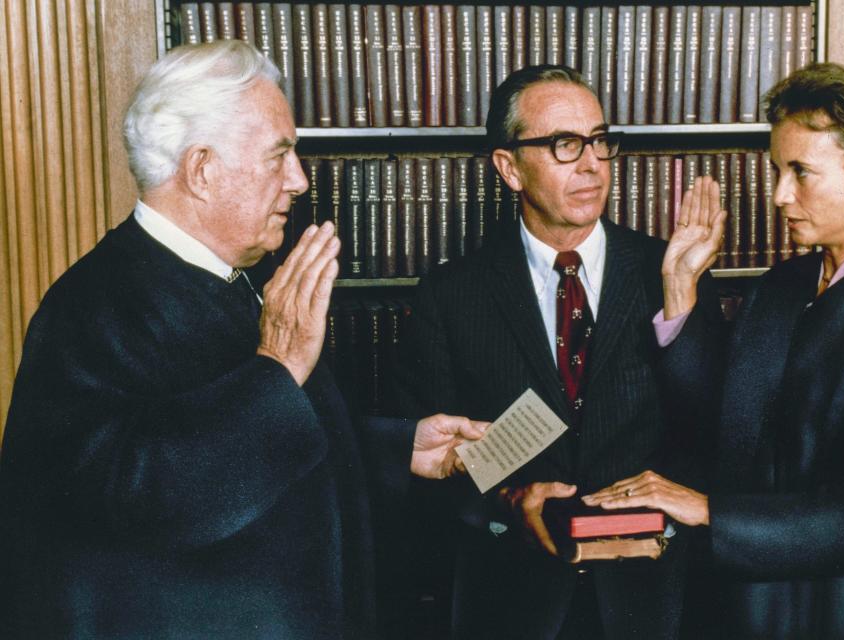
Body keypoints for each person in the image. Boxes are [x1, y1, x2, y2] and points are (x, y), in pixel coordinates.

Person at [0, 40, 486, 640]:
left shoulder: (224, 279)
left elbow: (254, 436)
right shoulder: (92, 305)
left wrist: (397, 449)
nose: (300, 181)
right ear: (202, 170)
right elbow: (140, 495)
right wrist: (276, 364)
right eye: (279, 156)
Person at [583, 62, 844, 639]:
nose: (781, 195)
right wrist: (681, 286)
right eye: (777, 171)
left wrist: (714, 512)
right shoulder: (780, 290)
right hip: (744, 609)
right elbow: (725, 427)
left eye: (802, 172)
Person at [390, 64, 722, 639]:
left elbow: (714, 433)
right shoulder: (450, 295)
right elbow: (427, 471)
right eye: (564, 145)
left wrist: (679, 301)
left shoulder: (671, 273)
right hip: (512, 601)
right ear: (509, 168)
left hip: (655, 601)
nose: (592, 163)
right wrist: (504, 506)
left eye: (598, 140)